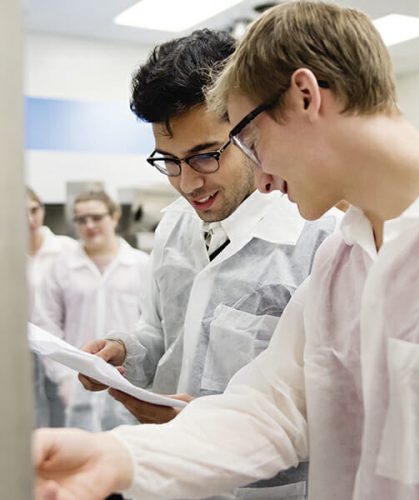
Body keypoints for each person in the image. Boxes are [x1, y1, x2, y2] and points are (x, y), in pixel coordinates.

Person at [34, 2, 419, 499]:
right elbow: (271, 409)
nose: (257, 178)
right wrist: (118, 457)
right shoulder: (342, 265)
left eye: (247, 141)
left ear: (305, 96)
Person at [78, 28, 336, 499]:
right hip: (168, 479)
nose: (187, 183)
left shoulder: (320, 238)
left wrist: (203, 426)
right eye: (169, 161)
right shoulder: (175, 226)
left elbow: (330, 413)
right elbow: (161, 333)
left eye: (204, 156)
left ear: (248, 129)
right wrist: (125, 352)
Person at [33, 190, 150, 432]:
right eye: (81, 220)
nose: (89, 225)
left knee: (128, 450)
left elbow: (153, 323)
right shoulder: (61, 267)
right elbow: (47, 321)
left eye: (96, 217)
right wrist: (63, 375)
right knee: (80, 454)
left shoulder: (141, 264)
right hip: (78, 379)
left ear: (114, 217)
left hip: (129, 378)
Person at [27, 187, 78, 428]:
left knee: (65, 411)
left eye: (34, 210)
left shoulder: (67, 249)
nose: (29, 219)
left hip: (63, 343)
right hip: (24, 348)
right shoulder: (7, 252)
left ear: (42, 209)